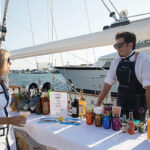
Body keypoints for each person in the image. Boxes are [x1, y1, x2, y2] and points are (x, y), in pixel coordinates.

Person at [97, 31, 150, 121]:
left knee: (135, 132)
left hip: (138, 108)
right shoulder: (116, 61)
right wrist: (97, 104)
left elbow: (149, 88)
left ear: (130, 45)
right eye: (115, 46)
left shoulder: (144, 60)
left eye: (120, 45)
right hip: (120, 107)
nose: (117, 48)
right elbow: (107, 84)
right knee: (118, 130)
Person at [0, 49, 26, 150]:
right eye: (8, 60)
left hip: (8, 137)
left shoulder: (3, 81)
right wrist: (9, 120)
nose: (10, 63)